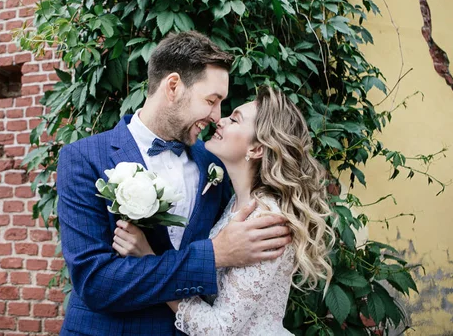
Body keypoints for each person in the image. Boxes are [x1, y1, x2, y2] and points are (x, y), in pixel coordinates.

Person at [56, 31, 292, 335]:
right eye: (211, 100)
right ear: (173, 86)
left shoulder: (214, 164)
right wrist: (214, 255)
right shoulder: (84, 158)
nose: (216, 116)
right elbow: (95, 282)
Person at [114, 86, 335, 335]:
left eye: (235, 119)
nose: (220, 121)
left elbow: (220, 328)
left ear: (256, 149)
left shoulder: (266, 220)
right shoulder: (237, 202)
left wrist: (148, 259)